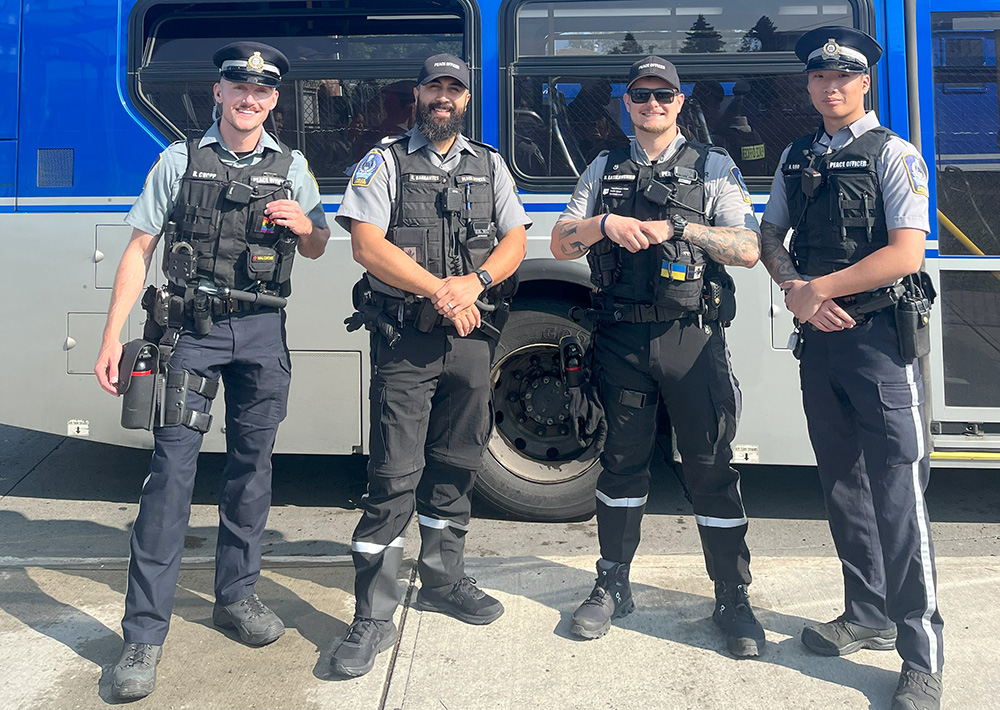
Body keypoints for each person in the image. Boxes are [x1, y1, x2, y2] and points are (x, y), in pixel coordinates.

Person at [93, 42, 330, 700]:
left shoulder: (294, 166)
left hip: (261, 334)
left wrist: (305, 225)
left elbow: (319, 243)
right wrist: (111, 335)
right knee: (171, 479)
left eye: (262, 90)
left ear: (274, 101)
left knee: (252, 474)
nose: (249, 98)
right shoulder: (178, 161)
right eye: (238, 86)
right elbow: (139, 248)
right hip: (190, 335)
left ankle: (237, 598)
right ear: (219, 92)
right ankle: (143, 633)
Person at [549, 56, 765, 657]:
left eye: (663, 96)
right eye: (641, 96)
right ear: (627, 102)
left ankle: (732, 596)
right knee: (620, 465)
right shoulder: (602, 168)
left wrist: (680, 230)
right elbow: (560, 242)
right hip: (620, 339)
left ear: (679, 102)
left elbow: (748, 248)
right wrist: (603, 224)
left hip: (690, 337)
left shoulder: (714, 167)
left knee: (709, 466)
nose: (652, 105)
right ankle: (612, 583)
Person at [758, 27, 944, 710]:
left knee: (898, 496)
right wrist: (794, 291)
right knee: (842, 486)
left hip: (879, 344)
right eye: (819, 77)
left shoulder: (894, 154)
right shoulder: (797, 154)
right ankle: (866, 614)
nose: (831, 87)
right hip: (822, 342)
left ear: (866, 82)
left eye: (845, 75)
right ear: (808, 86)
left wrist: (819, 290)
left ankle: (922, 655)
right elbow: (769, 235)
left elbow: (905, 256)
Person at [329, 53, 529, 677]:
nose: (443, 97)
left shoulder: (491, 164)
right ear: (416, 94)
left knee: (457, 460)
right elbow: (366, 244)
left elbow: (516, 237)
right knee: (393, 472)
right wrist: (441, 290)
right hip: (407, 340)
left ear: (466, 100)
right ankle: (372, 614)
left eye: (454, 89)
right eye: (433, 87)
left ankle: (444, 581)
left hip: (471, 339)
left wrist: (476, 281)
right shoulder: (385, 160)